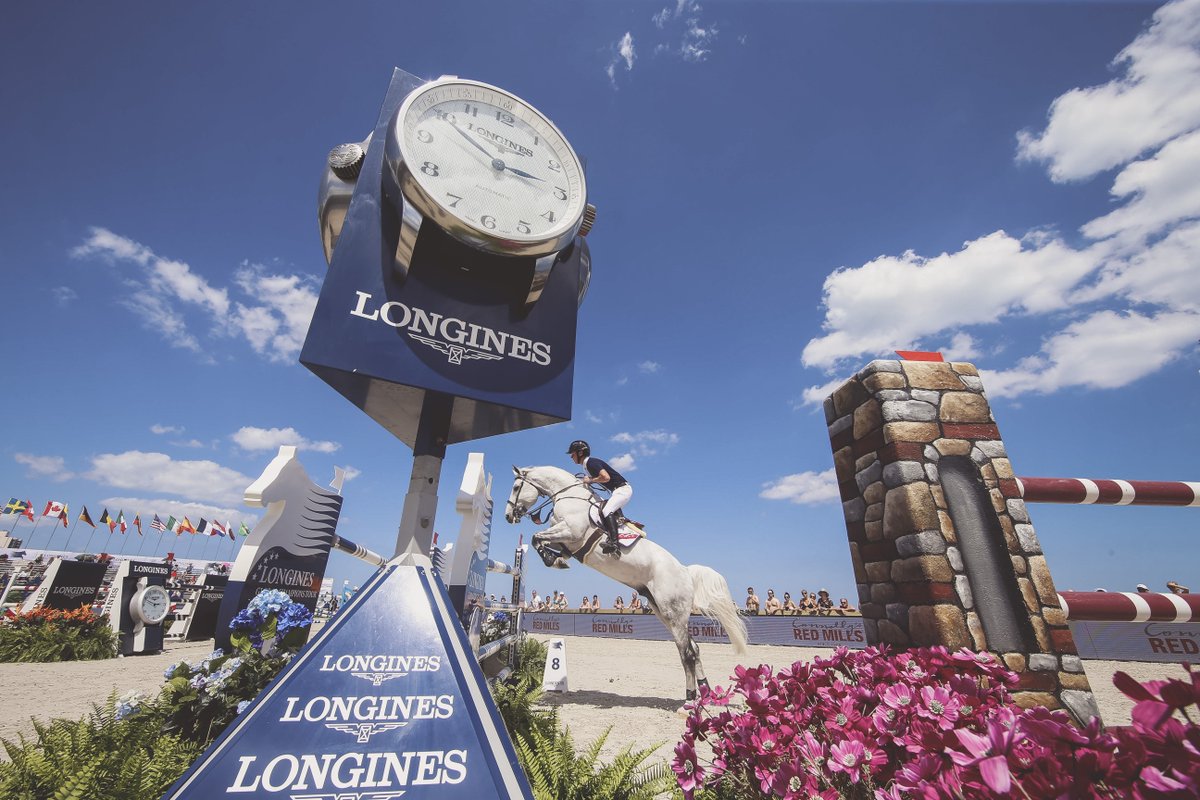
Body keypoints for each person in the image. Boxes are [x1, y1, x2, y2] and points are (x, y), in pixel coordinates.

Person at [567, 439, 632, 554]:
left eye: (572, 454)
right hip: (617, 491)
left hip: (622, 490)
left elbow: (606, 477)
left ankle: (614, 544)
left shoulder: (590, 462)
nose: (571, 457)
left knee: (607, 510)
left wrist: (590, 480)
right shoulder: (587, 465)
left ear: (580, 453)